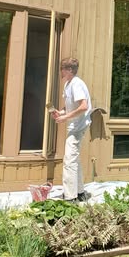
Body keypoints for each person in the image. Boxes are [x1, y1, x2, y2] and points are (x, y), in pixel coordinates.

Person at [52, 57, 92, 202]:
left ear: (69, 70)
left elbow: (83, 106)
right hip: (74, 126)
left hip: (79, 126)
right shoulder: (68, 84)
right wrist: (61, 112)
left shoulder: (77, 84)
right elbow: (70, 106)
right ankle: (80, 192)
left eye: (62, 68)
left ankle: (70, 197)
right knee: (74, 158)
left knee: (69, 160)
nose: (60, 71)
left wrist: (65, 117)